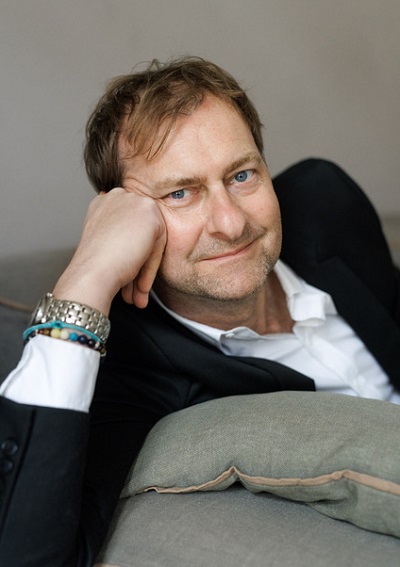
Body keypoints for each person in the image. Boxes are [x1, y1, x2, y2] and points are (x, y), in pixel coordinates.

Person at [0, 57, 399, 566]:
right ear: (122, 216)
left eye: (242, 175)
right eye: (181, 193)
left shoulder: (323, 199)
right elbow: (27, 554)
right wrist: (87, 278)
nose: (231, 224)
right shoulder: (133, 369)